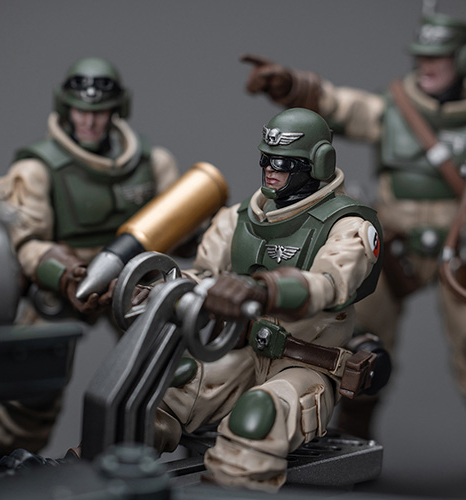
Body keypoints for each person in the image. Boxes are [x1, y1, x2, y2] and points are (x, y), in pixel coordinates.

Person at [242, 12, 466, 495]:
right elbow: (339, 106)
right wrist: (290, 85)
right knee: (357, 342)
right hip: (393, 254)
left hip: (461, 253)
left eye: (438, 58)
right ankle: (348, 435)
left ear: (464, 61)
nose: (426, 66)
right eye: (421, 57)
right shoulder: (393, 111)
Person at [153, 108, 383, 491]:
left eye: (285, 163)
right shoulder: (238, 218)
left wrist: (264, 290)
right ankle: (87, 472)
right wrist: (157, 289)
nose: (271, 171)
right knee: (160, 396)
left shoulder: (348, 226)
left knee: (256, 420)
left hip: (305, 364)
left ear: (318, 164)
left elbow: (331, 283)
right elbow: (204, 277)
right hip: (241, 352)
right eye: (266, 159)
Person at [0, 57, 179, 463]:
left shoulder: (152, 163)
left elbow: (179, 222)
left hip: (131, 281)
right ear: (65, 108)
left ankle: (126, 458)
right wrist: (63, 274)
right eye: (80, 111)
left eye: (100, 112)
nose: (89, 121)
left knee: (165, 371)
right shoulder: (36, 169)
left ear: (117, 110)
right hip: (62, 284)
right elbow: (26, 243)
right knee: (31, 386)